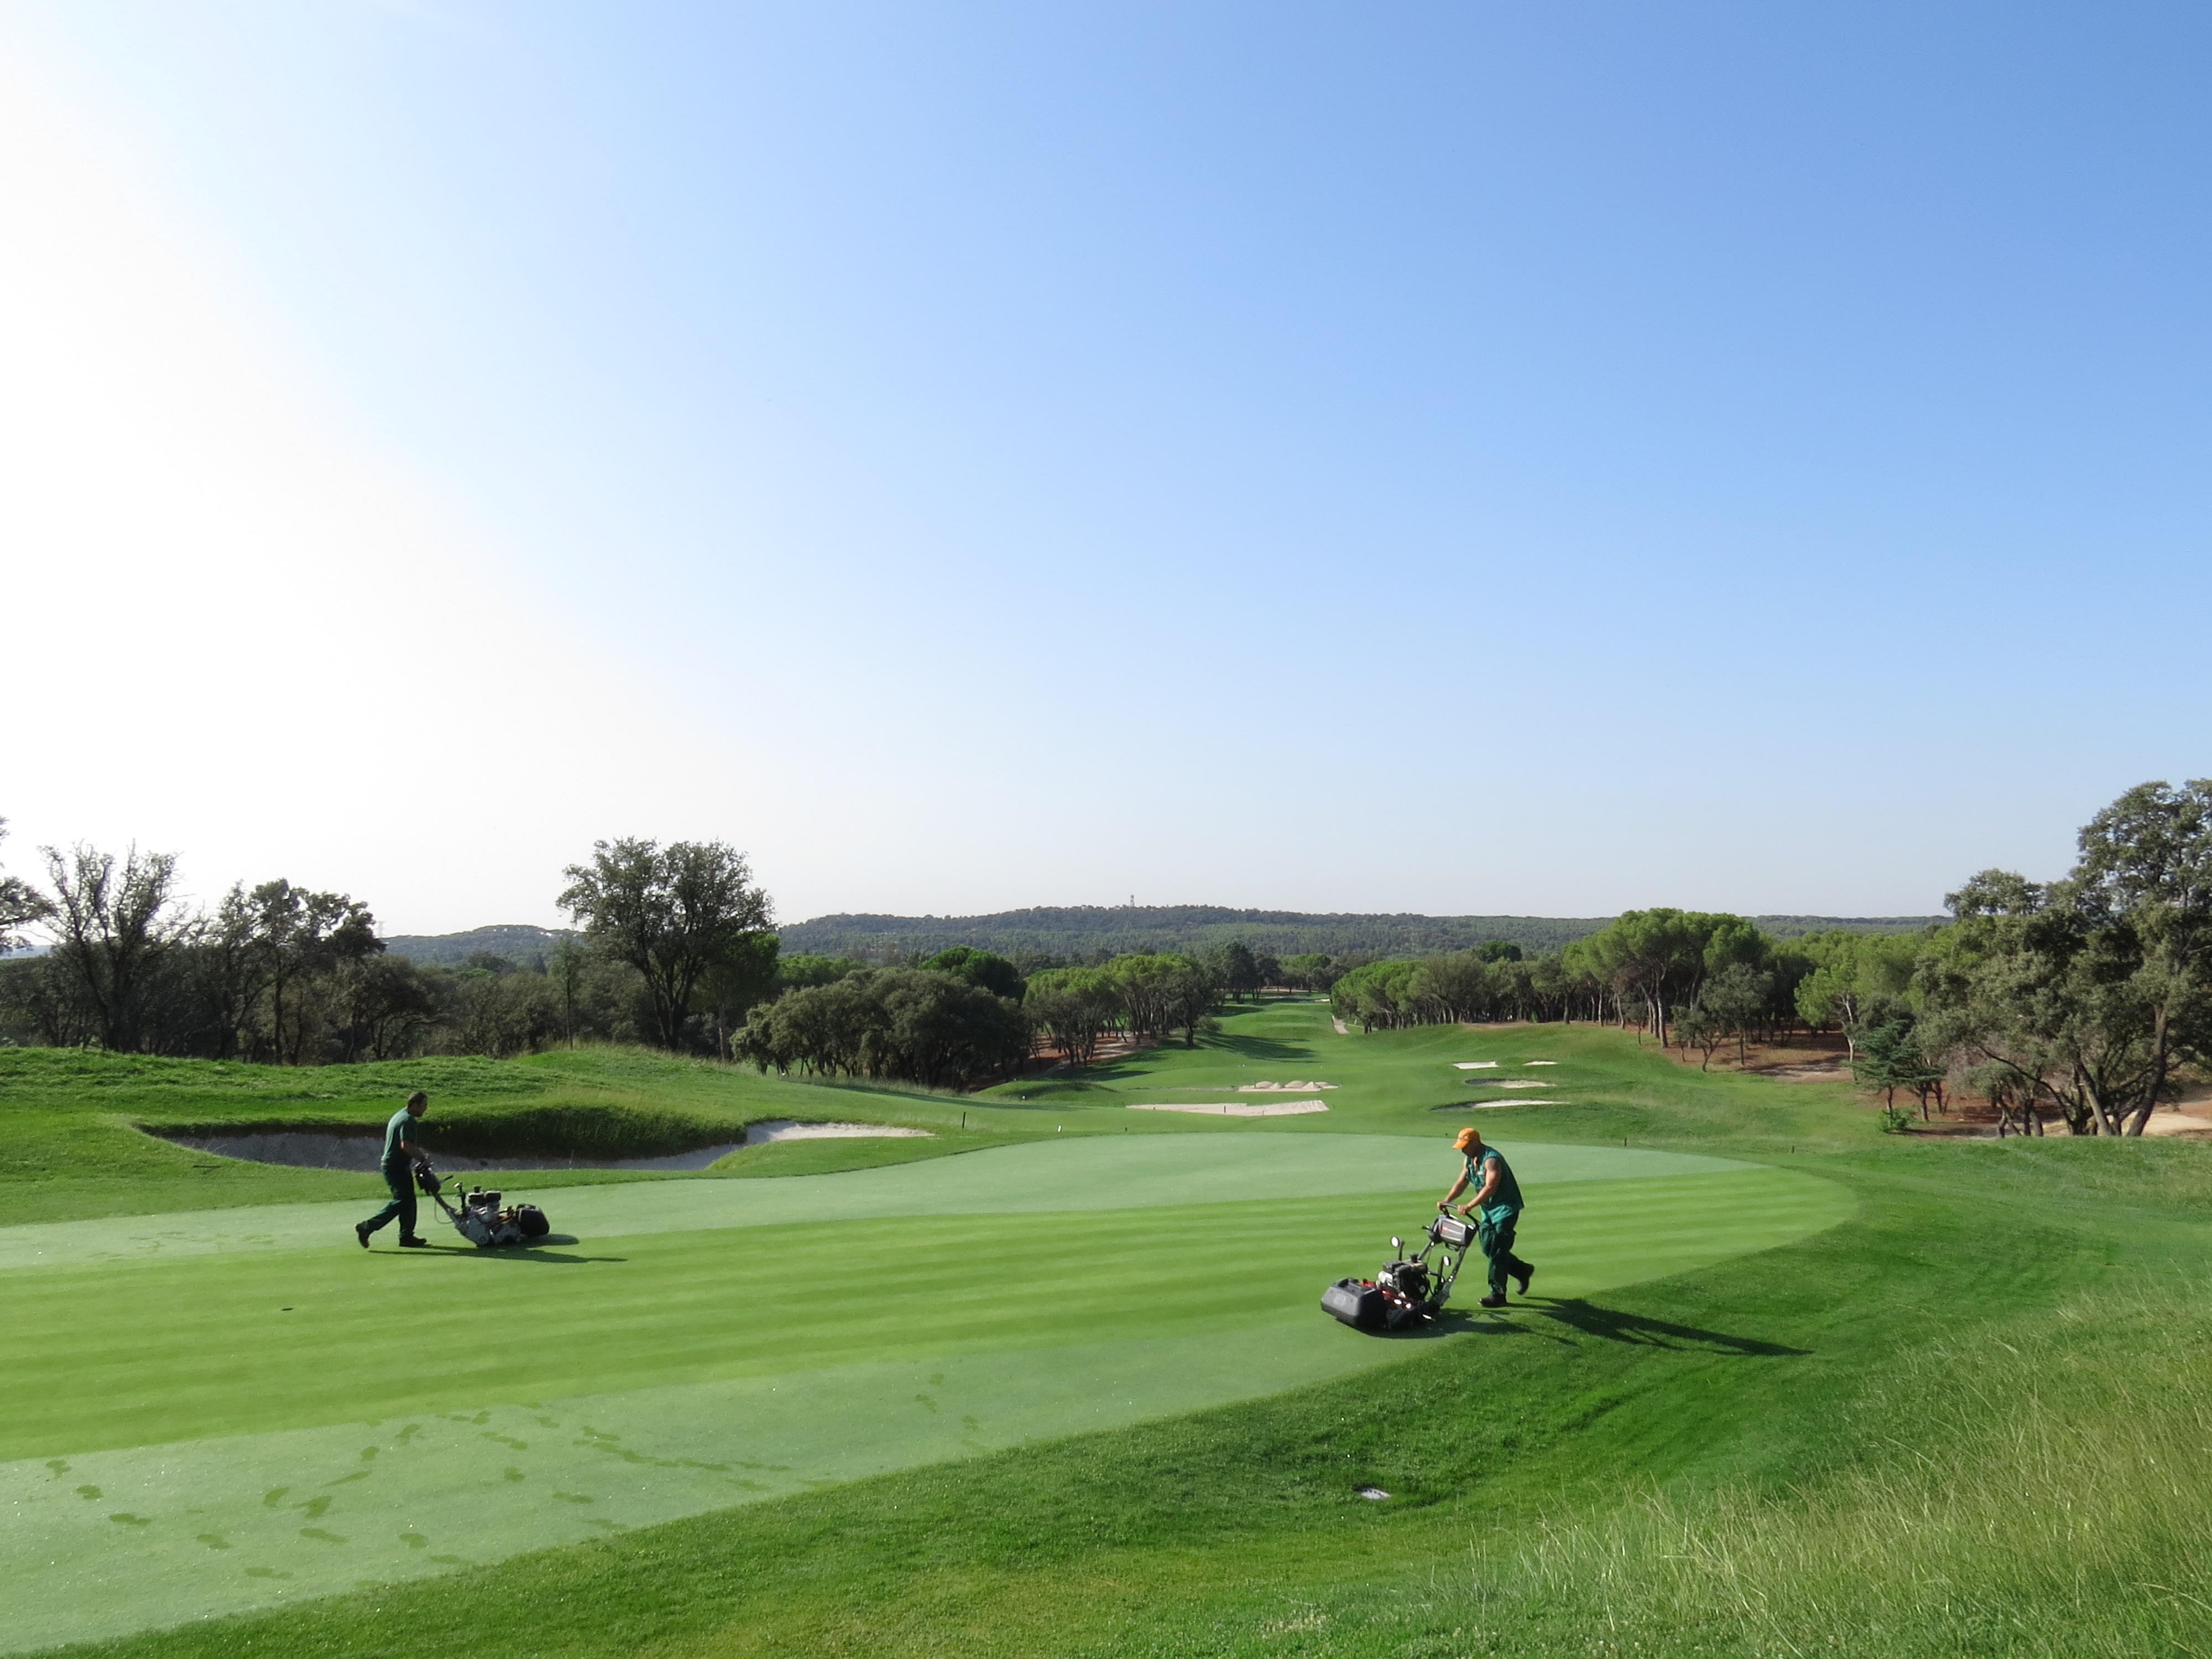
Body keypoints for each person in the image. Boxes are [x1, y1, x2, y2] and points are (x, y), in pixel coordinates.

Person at [1441, 1126, 1533, 1308]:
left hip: (1506, 1209)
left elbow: (1491, 1187)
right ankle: (1523, 1270)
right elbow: (1462, 1182)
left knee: (1498, 1249)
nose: (1462, 1149)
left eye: (1465, 1145)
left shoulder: (1492, 1160)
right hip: (1489, 1210)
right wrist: (1447, 1200)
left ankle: (1498, 1294)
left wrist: (1469, 1205)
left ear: (1476, 1142)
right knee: (1488, 1248)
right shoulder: (1469, 1160)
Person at [357, 1091, 432, 1249]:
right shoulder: (408, 1120)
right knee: (402, 1201)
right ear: (415, 1104)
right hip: (395, 1166)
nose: (425, 1109)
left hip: (396, 1165)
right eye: (424, 1105)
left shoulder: (400, 1115)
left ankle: (407, 1236)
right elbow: (406, 1145)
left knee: (408, 1201)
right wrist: (423, 1158)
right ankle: (367, 1227)